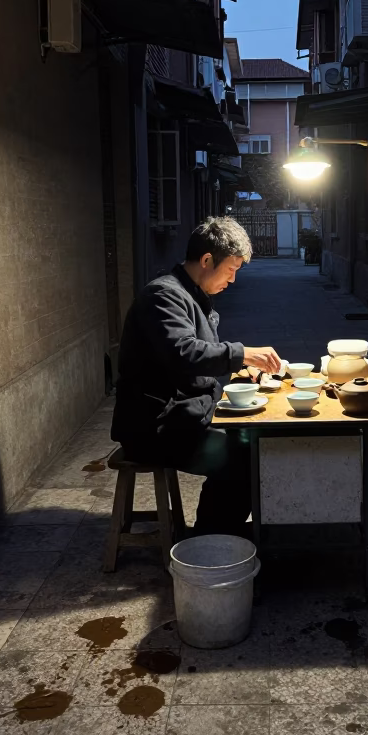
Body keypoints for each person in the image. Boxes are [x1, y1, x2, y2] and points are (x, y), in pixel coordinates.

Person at [111, 217, 282, 537]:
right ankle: (210, 544)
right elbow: (183, 353)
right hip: (153, 425)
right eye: (231, 270)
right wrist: (241, 354)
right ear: (207, 260)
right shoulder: (163, 296)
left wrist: (242, 372)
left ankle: (226, 533)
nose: (232, 280)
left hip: (185, 414)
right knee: (241, 459)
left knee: (254, 441)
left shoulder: (194, 296)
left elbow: (200, 359)